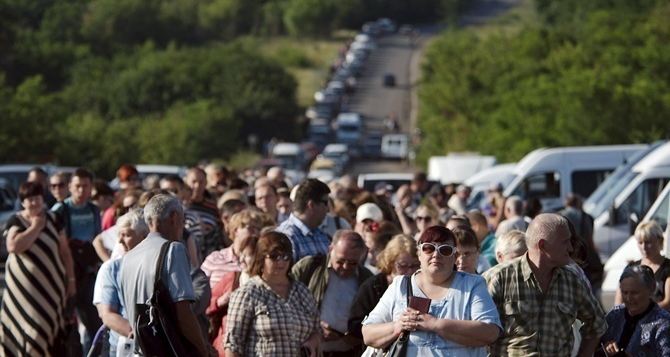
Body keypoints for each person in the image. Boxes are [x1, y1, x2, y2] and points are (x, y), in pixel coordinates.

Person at [362, 226, 501, 356]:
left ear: (454, 256)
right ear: (419, 254)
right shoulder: (400, 285)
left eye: (445, 250)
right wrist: (398, 326)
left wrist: (435, 324)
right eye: (428, 248)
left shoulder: (472, 284)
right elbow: (368, 334)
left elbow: (490, 332)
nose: (436, 255)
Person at [485, 213, 607, 356]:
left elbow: (597, 324)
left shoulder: (572, 281)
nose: (571, 248)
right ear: (542, 246)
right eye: (565, 242)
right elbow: (476, 332)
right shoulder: (499, 278)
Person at [119, 194, 209, 356]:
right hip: (169, 349)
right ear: (174, 217)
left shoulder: (128, 258)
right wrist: (203, 349)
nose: (183, 226)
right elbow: (183, 312)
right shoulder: (173, 249)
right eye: (183, 219)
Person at [1, 182, 76, 354]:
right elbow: (13, 246)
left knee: (46, 326)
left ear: (43, 199)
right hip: (22, 292)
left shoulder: (55, 219)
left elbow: (65, 252)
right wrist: (36, 227)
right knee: (23, 327)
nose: (34, 203)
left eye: (37, 198)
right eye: (29, 199)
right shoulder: (16, 220)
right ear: (22, 202)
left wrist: (71, 282)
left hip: (51, 289)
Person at [224, 231, 320, 356]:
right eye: (274, 256)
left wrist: (314, 339)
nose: (281, 262)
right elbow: (233, 344)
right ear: (261, 258)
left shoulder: (302, 291)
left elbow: (317, 328)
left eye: (285, 256)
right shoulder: (247, 293)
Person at [292, 230, 372, 356]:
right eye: (340, 261)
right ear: (331, 249)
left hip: (348, 350)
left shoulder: (366, 279)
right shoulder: (310, 267)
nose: (345, 267)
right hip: (310, 348)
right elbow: (286, 302)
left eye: (352, 263)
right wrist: (314, 325)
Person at [51, 167, 103, 349]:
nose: (81, 190)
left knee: (93, 324)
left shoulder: (94, 210)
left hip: (88, 273)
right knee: (65, 323)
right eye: (77, 186)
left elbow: (98, 238)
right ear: (70, 187)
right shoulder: (60, 210)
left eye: (85, 186)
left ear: (91, 188)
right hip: (66, 274)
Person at [92, 208, 148, 356]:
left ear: (143, 237)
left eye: (127, 235)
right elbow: (107, 314)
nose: (120, 240)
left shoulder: (158, 265)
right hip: (124, 347)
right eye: (119, 235)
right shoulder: (112, 269)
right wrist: (136, 333)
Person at [348, 235, 419, 344]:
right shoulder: (373, 286)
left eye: (415, 265)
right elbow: (355, 324)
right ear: (390, 262)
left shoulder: (421, 284)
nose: (409, 271)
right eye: (403, 266)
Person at [598, 265, 670, 356]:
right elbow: (592, 342)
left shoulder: (663, 324)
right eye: (625, 292)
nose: (628, 298)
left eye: (634, 293)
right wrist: (605, 349)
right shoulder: (615, 315)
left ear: (651, 290)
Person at [206, 238, 256, 357]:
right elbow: (206, 304)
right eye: (241, 255)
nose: (242, 259)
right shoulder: (233, 278)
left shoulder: (268, 283)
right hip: (226, 346)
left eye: (248, 255)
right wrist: (219, 302)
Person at [201, 209, 264, 289]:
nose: (255, 233)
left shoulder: (262, 260)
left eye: (258, 229)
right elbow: (200, 287)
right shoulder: (215, 258)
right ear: (236, 231)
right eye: (251, 228)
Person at [615, 220, 670, 309]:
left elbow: (667, 302)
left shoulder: (667, 267)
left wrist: (643, 312)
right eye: (640, 242)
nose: (644, 247)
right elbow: (618, 302)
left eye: (648, 242)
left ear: (660, 241)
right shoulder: (631, 268)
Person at [276, 178, 332, 261]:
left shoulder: (322, 235)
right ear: (311, 205)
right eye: (325, 203)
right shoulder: (286, 237)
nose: (328, 209)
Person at [185, 167, 224, 262]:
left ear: (206, 183)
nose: (197, 186)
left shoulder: (213, 207)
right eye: (193, 181)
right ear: (186, 182)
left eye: (201, 182)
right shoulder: (182, 206)